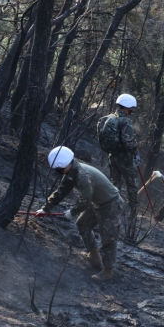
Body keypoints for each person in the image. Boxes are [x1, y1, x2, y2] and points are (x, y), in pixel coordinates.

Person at [38, 146, 123, 281]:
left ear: (65, 165)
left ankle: (108, 271)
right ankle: (94, 256)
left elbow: (86, 198)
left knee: (109, 239)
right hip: (96, 202)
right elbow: (62, 191)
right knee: (82, 224)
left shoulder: (83, 175)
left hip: (110, 205)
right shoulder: (72, 171)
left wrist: (72, 211)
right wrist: (45, 208)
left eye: (58, 170)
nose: (58, 172)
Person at [97, 94, 140, 229]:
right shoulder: (125, 121)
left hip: (112, 155)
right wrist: (135, 152)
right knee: (131, 185)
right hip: (125, 158)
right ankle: (133, 213)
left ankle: (113, 209)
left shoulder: (107, 118)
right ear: (128, 107)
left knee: (115, 183)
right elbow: (128, 142)